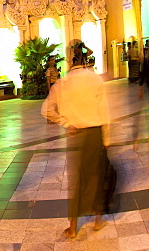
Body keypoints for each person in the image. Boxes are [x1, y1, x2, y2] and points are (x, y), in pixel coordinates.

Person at [41, 56, 112, 239]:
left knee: (78, 180)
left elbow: (46, 110)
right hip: (94, 133)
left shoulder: (62, 83)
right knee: (97, 175)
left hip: (76, 135)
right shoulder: (95, 78)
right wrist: (106, 139)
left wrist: (66, 123)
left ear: (71, 64)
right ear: (86, 62)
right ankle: (97, 220)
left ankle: (73, 227)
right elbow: (104, 110)